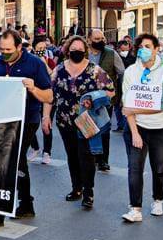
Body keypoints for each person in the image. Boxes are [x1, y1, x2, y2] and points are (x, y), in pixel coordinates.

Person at [0, 31, 54, 227]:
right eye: (2, 49)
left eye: (9, 50)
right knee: (18, 161)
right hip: (3, 119)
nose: (4, 53)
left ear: (19, 47)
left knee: (9, 159)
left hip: (27, 120)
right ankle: (26, 203)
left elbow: (48, 96)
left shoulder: (34, 64)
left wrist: (33, 89)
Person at [49, 35, 114, 210]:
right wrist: (45, 117)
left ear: (85, 51)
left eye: (80, 50)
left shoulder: (94, 70)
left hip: (87, 120)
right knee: (72, 155)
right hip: (64, 120)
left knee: (86, 156)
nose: (76, 52)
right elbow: (50, 95)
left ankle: (88, 192)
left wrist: (93, 98)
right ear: (67, 51)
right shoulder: (59, 69)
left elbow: (110, 91)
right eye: (73, 50)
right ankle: (76, 187)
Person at [121, 34, 163, 223]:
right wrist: (135, 132)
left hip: (161, 129)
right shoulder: (130, 72)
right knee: (135, 168)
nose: (143, 49)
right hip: (136, 127)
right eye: (140, 46)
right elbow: (125, 104)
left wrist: (135, 109)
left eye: (147, 46)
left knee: (159, 167)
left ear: (156, 49)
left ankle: (158, 199)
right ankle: (135, 208)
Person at [87, 29, 124, 171]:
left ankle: (103, 160)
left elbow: (122, 73)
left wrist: (120, 96)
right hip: (86, 98)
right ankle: (91, 157)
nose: (101, 41)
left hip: (105, 98)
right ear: (89, 40)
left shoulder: (111, 54)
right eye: (97, 38)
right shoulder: (83, 53)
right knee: (88, 128)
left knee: (103, 129)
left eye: (102, 38)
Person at [114, 39, 137, 132]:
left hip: (129, 84)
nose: (124, 52)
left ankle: (126, 125)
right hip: (117, 84)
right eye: (122, 50)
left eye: (125, 49)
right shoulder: (116, 57)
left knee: (127, 104)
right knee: (117, 105)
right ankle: (120, 125)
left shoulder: (133, 58)